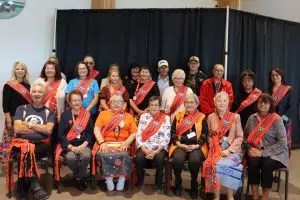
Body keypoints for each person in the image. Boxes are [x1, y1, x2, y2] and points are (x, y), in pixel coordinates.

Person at [7, 83, 55, 200]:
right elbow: (17, 128)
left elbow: (48, 130)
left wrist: (28, 124)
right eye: (34, 92)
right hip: (22, 143)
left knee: (23, 155)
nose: (37, 94)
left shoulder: (50, 112)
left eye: (40, 92)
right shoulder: (21, 109)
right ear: (31, 94)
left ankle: (24, 187)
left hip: (41, 145)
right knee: (24, 152)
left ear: (44, 94)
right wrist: (40, 128)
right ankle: (35, 186)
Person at [244, 93, 288, 200]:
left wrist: (263, 152)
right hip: (255, 150)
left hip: (275, 153)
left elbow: (282, 143)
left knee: (266, 164)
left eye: (265, 102)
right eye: (260, 102)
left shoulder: (276, 119)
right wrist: (249, 149)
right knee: (253, 163)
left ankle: (264, 198)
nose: (262, 104)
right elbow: (245, 138)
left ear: (270, 105)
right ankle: (255, 196)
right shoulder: (252, 118)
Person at [203, 91, 243, 200]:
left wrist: (229, 151)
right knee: (215, 165)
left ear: (228, 102)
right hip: (216, 150)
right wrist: (215, 147)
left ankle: (230, 196)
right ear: (215, 102)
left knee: (228, 165)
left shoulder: (235, 117)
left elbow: (240, 137)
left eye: (225, 101)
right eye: (219, 100)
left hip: (231, 150)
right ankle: (217, 196)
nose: (222, 103)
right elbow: (209, 136)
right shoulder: (210, 117)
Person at [92, 95, 137, 191]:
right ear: (109, 104)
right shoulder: (103, 114)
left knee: (124, 155)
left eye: (119, 102)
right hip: (106, 143)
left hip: (122, 144)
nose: (116, 104)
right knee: (103, 154)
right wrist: (101, 142)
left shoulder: (128, 116)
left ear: (123, 104)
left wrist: (126, 143)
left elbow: (134, 132)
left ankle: (122, 179)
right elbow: (96, 129)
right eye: (114, 102)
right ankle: (109, 179)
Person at [169, 94, 208, 199]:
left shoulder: (201, 117)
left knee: (194, 160)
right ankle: (178, 182)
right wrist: (179, 143)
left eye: (192, 102)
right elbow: (172, 133)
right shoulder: (178, 115)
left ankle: (194, 184)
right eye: (187, 102)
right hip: (180, 145)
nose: (189, 104)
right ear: (184, 103)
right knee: (177, 159)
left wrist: (197, 145)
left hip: (196, 146)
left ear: (196, 104)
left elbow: (204, 134)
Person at [54, 91, 93, 191]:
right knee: (71, 158)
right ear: (70, 103)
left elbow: (90, 133)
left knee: (86, 156)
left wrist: (84, 145)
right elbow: (61, 135)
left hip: (83, 144)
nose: (77, 103)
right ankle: (80, 176)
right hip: (69, 145)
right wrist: (71, 147)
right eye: (74, 101)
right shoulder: (65, 115)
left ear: (82, 101)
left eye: (79, 100)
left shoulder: (87, 115)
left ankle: (78, 177)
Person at [135, 96, 171, 192]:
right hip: (145, 145)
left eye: (156, 105)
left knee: (159, 159)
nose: (154, 107)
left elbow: (167, 137)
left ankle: (158, 183)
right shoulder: (143, 116)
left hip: (159, 147)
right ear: (148, 106)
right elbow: (138, 134)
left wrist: (156, 151)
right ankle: (141, 178)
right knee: (138, 158)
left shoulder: (166, 118)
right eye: (151, 105)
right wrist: (144, 149)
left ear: (160, 107)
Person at [1, 62, 31, 167]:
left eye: (22, 69)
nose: (20, 71)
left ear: (25, 71)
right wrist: (8, 119)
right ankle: (6, 163)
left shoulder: (28, 85)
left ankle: (21, 161)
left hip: (24, 118)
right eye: (18, 69)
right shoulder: (9, 85)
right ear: (14, 70)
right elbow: (5, 103)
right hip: (12, 117)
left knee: (21, 139)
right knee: (9, 140)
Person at [269, 68, 292, 156]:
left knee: (282, 142)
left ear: (281, 76)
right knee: (271, 141)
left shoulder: (287, 89)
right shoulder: (267, 90)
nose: (275, 77)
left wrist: (283, 119)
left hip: (283, 121)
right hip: (270, 121)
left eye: (277, 75)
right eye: (273, 75)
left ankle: (282, 159)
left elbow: (290, 107)